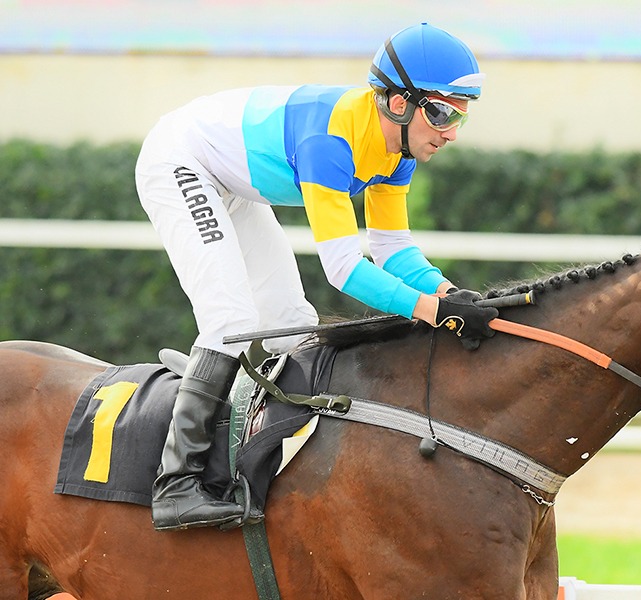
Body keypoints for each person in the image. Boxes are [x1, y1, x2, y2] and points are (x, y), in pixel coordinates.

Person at [134, 23, 499, 531]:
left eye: (461, 114)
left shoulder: (397, 150)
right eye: (441, 113)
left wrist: (448, 293)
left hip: (232, 183)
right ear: (399, 103)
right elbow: (344, 269)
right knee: (230, 320)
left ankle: (249, 454)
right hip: (181, 161)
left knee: (291, 326)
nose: (452, 131)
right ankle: (176, 486)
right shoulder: (331, 140)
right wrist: (433, 311)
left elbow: (392, 248)